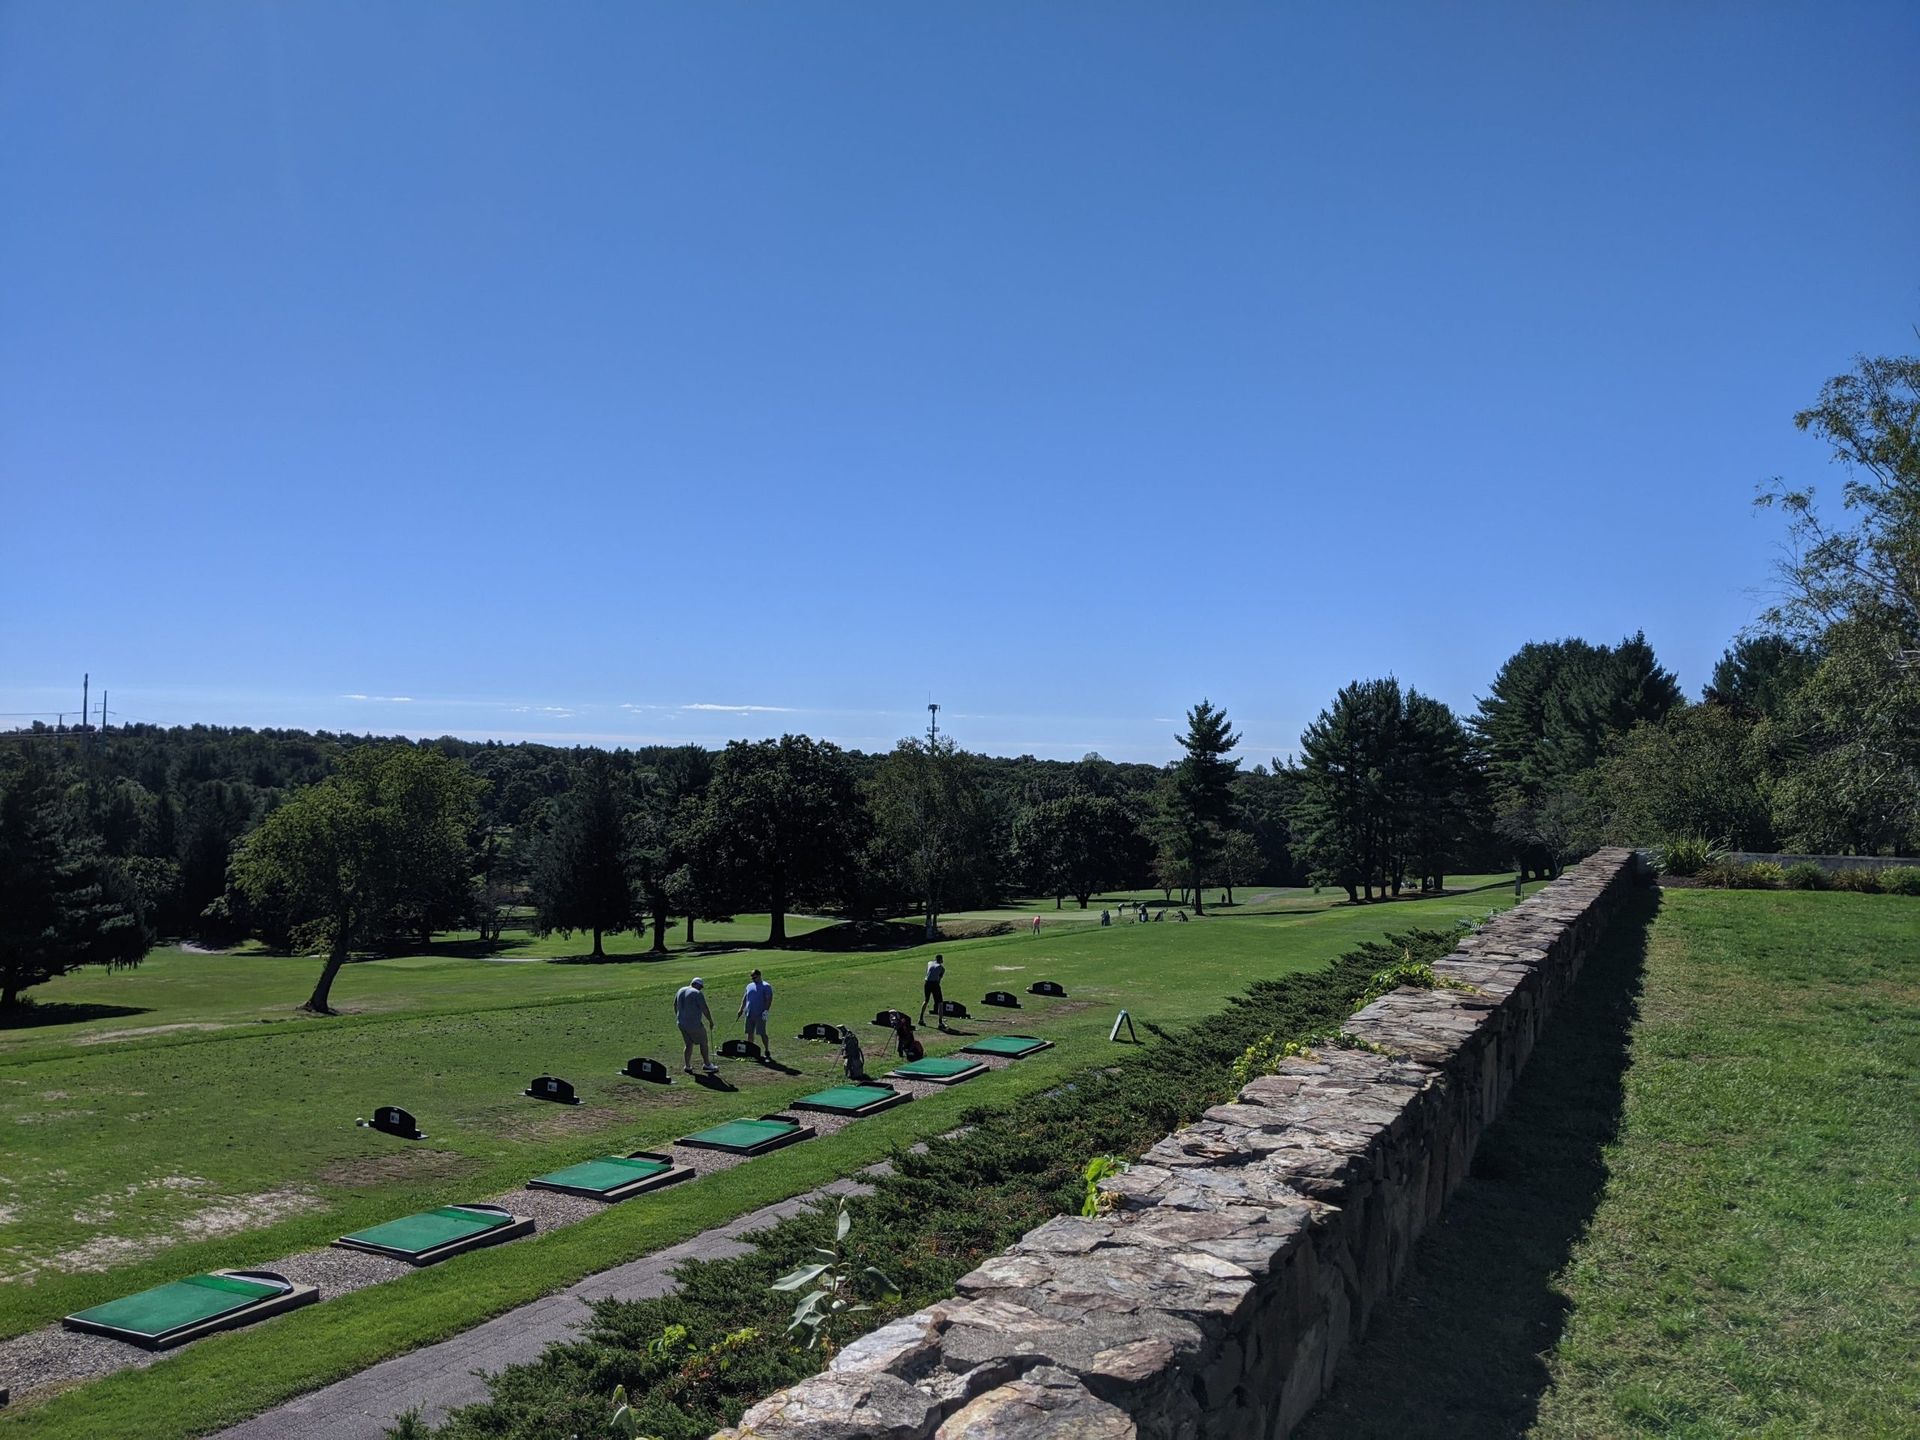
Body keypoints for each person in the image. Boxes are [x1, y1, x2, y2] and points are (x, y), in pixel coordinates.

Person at [674, 976, 717, 1074]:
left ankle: (687, 1066)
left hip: (681, 1023)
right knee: (703, 1042)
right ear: (695, 984)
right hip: (693, 1024)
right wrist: (710, 1021)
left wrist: (679, 1017)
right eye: (700, 986)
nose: (700, 988)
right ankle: (707, 1064)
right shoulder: (697, 993)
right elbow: (704, 1009)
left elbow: (675, 1005)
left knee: (688, 1044)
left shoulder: (680, 990)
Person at [738, 968, 774, 1063]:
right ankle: (750, 1051)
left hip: (760, 1014)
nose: (753, 979)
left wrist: (766, 1011)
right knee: (749, 1033)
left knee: (762, 1033)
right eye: (752, 978)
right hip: (749, 1013)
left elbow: (768, 999)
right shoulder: (749, 986)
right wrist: (741, 1009)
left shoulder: (766, 986)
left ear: (759, 976)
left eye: (755, 977)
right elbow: (745, 998)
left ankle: (766, 1050)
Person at [920, 953, 948, 1031]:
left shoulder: (929, 962)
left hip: (927, 983)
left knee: (926, 1000)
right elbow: (939, 979)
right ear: (941, 960)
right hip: (934, 984)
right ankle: (940, 1023)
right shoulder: (942, 968)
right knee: (940, 1003)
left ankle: (921, 1019)